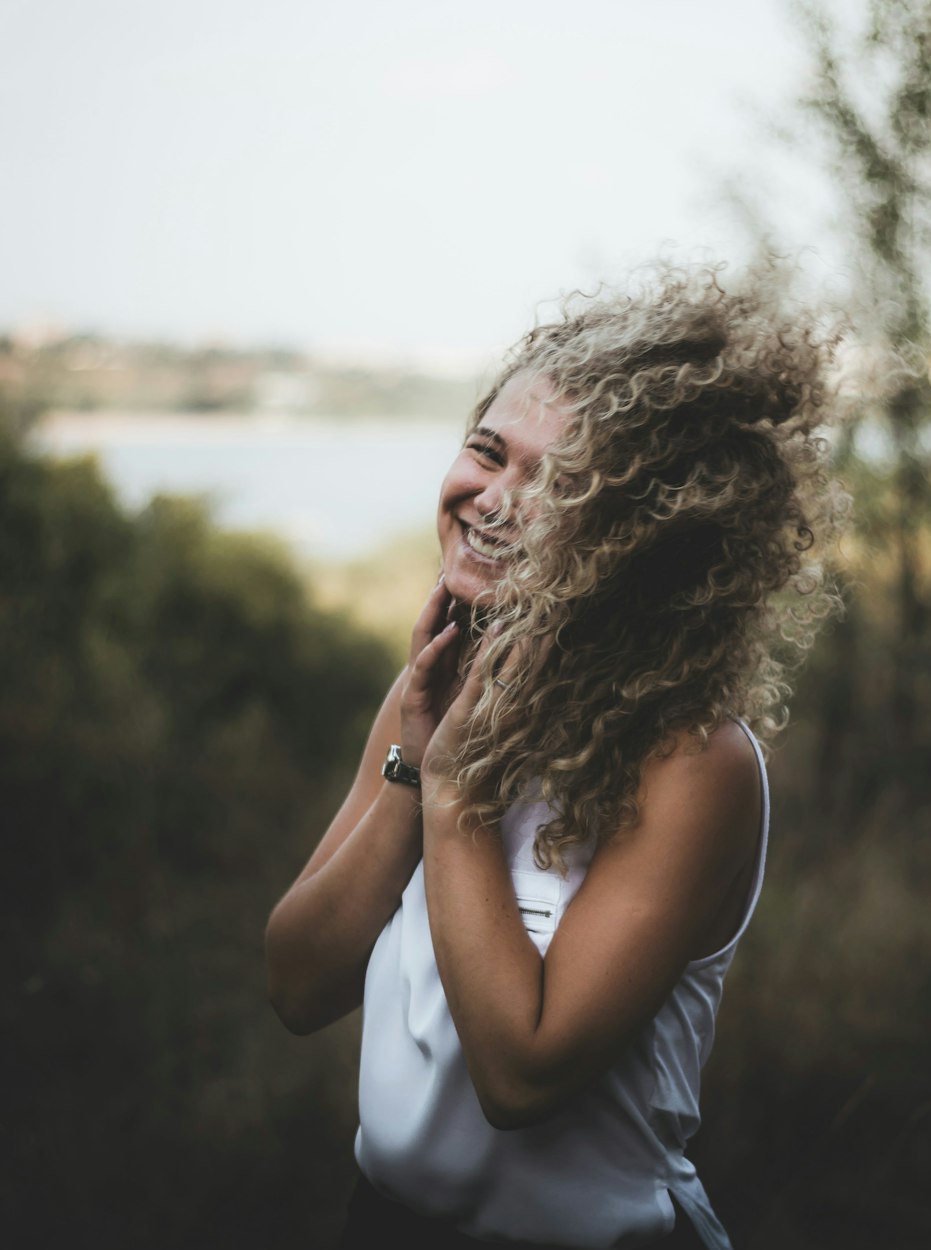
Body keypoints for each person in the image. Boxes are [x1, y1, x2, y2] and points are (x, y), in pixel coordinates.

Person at [265, 263, 845, 1249]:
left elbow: (520, 1073)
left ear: (641, 532)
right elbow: (299, 983)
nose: (492, 498)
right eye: (486, 452)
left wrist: (457, 787)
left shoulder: (693, 762)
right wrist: (414, 757)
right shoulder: (425, 698)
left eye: (559, 481)